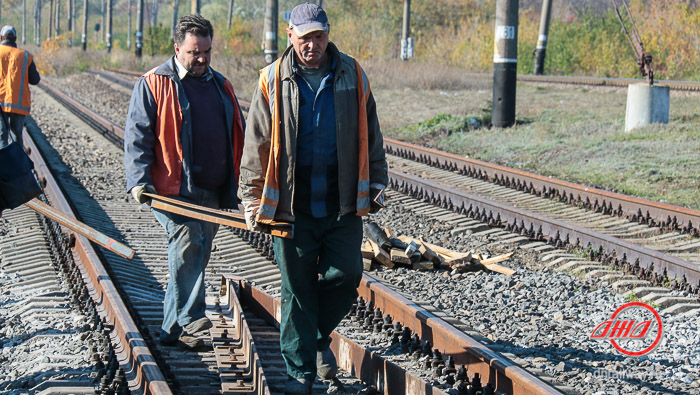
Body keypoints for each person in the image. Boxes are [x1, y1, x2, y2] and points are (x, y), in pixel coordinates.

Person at [238, 3, 388, 393]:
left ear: (327, 34)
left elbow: (370, 133)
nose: (313, 45)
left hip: (341, 206)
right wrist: (251, 199)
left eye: (319, 36)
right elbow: (255, 145)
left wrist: (377, 182)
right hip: (292, 209)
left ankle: (313, 334)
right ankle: (298, 376)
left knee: (347, 275)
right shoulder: (272, 79)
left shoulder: (352, 74)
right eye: (305, 38)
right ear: (290, 36)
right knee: (297, 291)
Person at [124, 14, 245, 350]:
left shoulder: (222, 85)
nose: (202, 58)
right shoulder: (153, 83)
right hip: (171, 189)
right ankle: (191, 318)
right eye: (194, 52)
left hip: (213, 188)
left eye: (206, 51)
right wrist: (138, 180)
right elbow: (137, 135)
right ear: (177, 48)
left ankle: (170, 330)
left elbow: (238, 132)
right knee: (188, 241)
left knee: (192, 255)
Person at [0, 25, 41, 149]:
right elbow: (35, 80)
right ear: (15, 38)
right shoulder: (25, 56)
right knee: (17, 135)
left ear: (1, 37)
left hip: (0, 103)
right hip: (19, 103)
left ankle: (3, 166)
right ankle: (18, 166)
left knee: (2, 136)